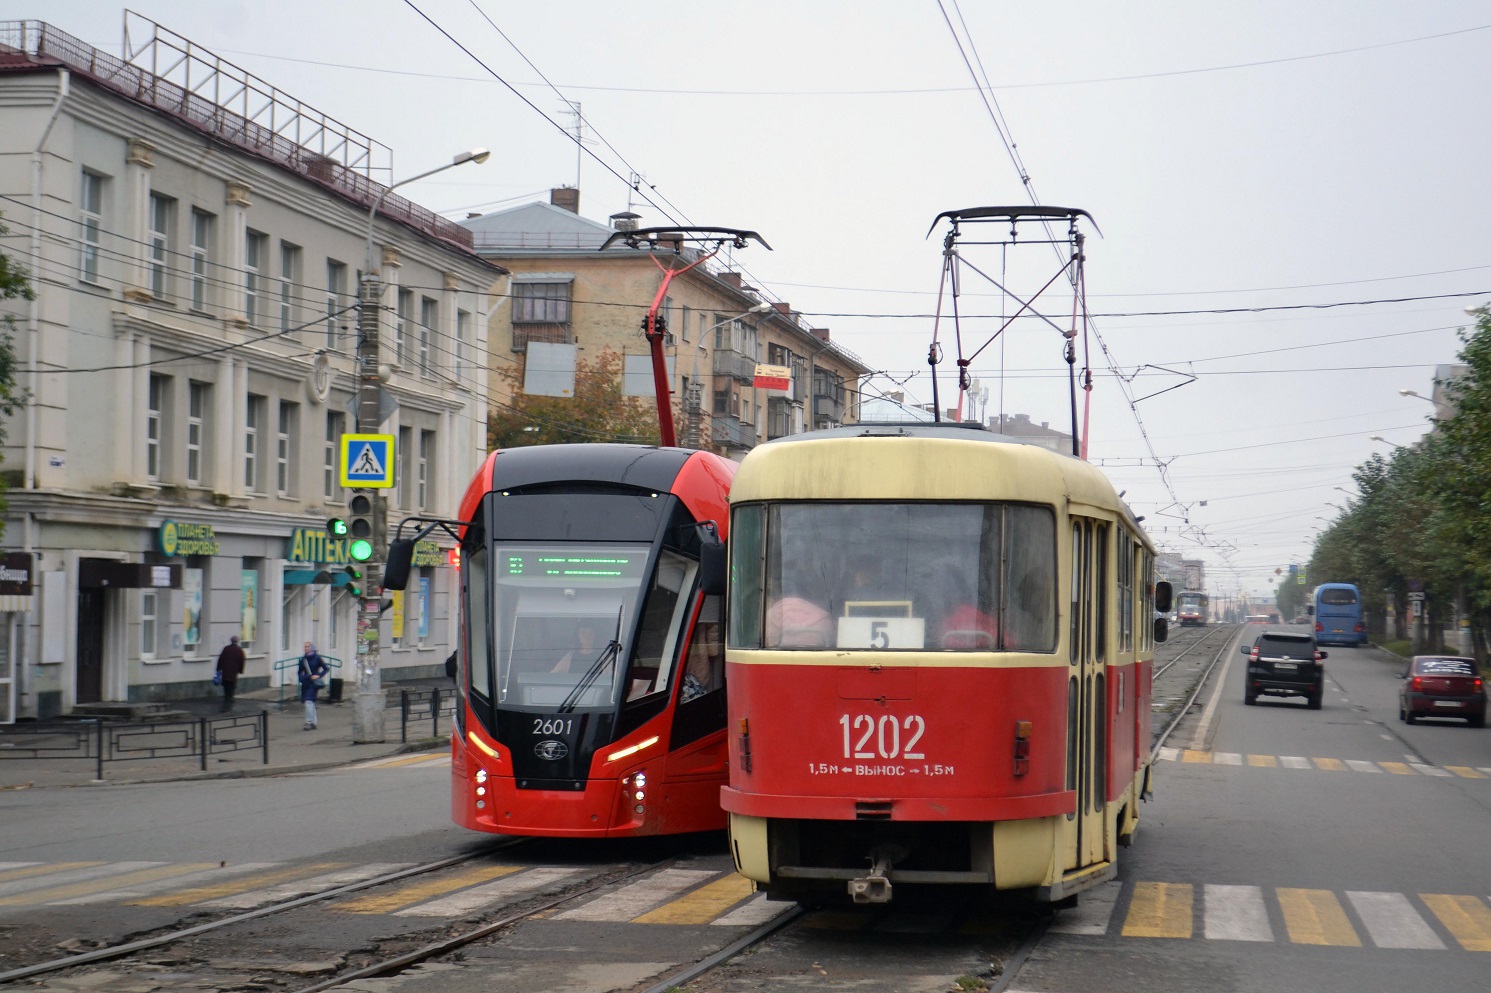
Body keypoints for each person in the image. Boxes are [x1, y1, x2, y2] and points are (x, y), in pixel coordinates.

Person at [297, 641, 330, 730]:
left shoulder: (317, 658)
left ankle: (308, 722)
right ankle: (314, 722)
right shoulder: (303, 659)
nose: (305, 648)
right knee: (310, 702)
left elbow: (326, 668)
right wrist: (302, 678)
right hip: (306, 683)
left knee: (309, 701)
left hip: (314, 684)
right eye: (305, 647)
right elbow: (300, 672)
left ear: (312, 648)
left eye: (307, 646)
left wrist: (318, 675)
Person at [215, 634, 245, 712]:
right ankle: (231, 697)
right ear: (237, 642)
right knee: (232, 684)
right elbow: (242, 661)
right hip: (234, 671)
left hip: (226, 670)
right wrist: (241, 670)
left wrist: (218, 668)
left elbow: (221, 659)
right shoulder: (239, 650)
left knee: (226, 684)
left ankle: (226, 697)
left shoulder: (226, 649)